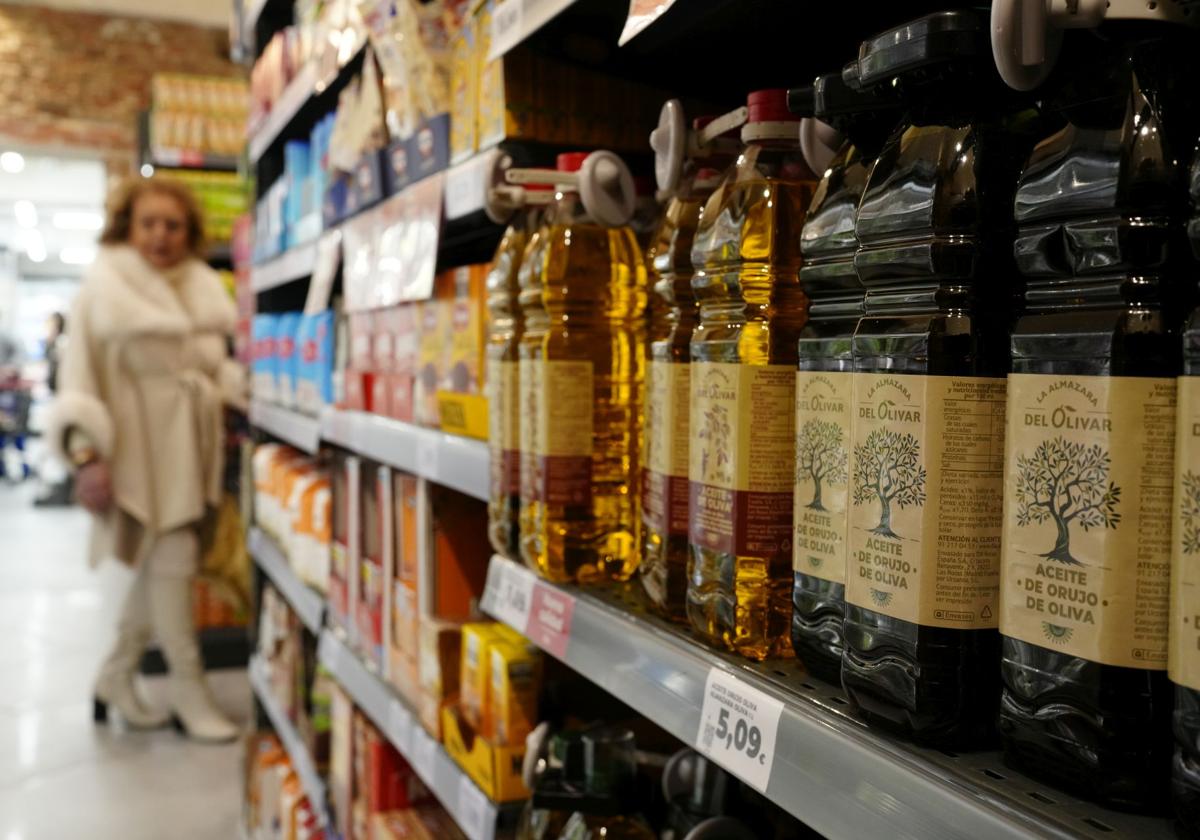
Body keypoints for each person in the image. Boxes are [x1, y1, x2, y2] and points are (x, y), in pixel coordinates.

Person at [47, 175, 244, 743]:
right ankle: (189, 689)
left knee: (162, 567)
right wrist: (85, 454)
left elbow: (212, 369)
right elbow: (77, 378)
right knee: (174, 562)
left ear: (189, 233)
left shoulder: (201, 287)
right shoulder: (102, 289)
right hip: (135, 455)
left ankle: (114, 676)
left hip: (190, 450)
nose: (161, 236)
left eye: (173, 225)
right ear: (127, 228)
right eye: (149, 223)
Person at [34, 312, 73, 506]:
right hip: (57, 399)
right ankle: (57, 488)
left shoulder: (64, 345)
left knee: (58, 445)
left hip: (64, 401)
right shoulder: (56, 345)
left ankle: (62, 489)